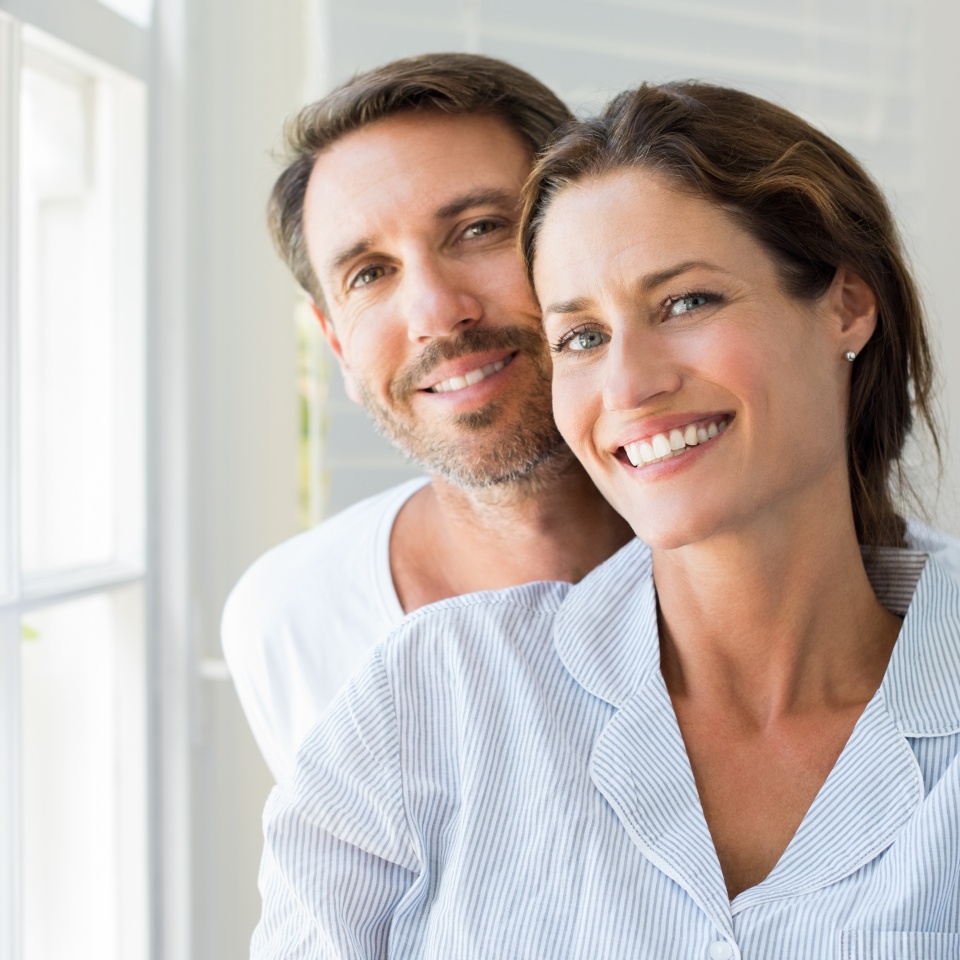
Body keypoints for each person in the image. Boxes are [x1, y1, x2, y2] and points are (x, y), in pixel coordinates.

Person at [252, 82, 960, 957]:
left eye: (688, 302)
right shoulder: (423, 693)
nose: (630, 385)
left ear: (847, 305)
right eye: (581, 337)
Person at [221, 53, 632, 782]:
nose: (438, 313)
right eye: (370, 274)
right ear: (338, 344)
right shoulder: (292, 620)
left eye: (478, 229)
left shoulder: (817, 580)